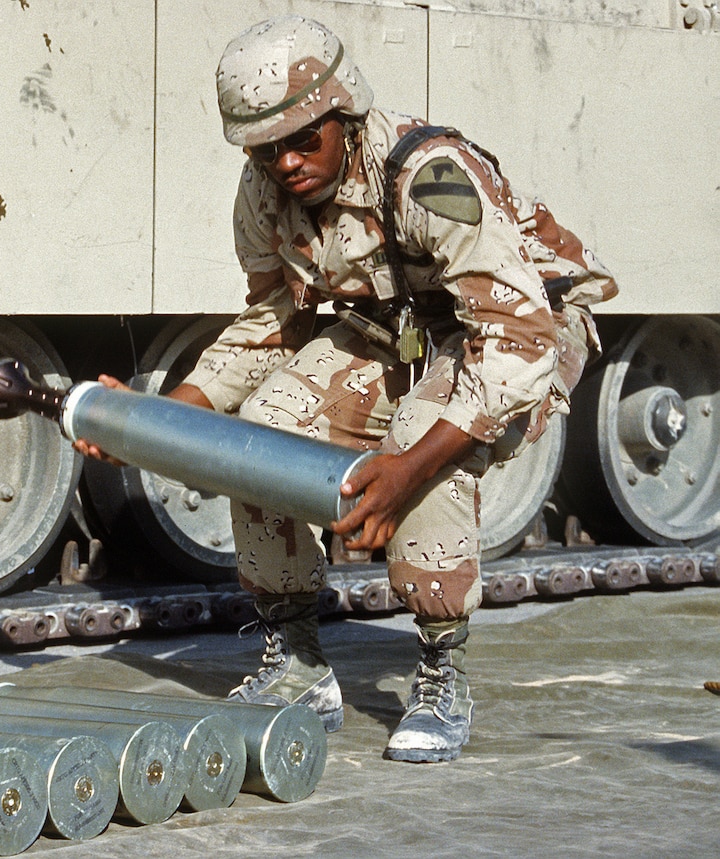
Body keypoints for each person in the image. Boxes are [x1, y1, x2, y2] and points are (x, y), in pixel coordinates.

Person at [76, 14, 616, 762]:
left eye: (306, 140)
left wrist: (405, 470)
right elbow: (272, 319)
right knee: (259, 436)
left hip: (518, 329)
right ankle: (297, 662)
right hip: (396, 330)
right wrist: (164, 418)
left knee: (422, 453)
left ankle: (440, 666)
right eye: (268, 150)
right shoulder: (267, 190)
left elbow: (515, 337)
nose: (288, 163)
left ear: (346, 112)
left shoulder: (428, 175)